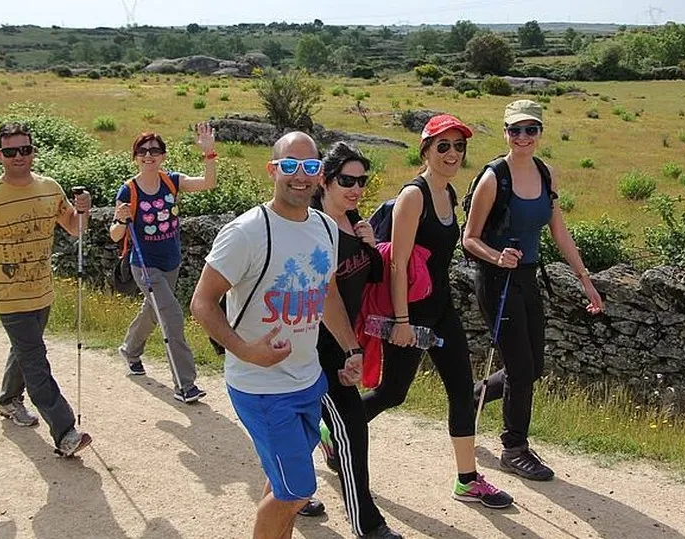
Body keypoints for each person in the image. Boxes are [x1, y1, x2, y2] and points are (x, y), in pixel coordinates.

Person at [191, 131, 365, 539]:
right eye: (289, 166)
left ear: (320, 174)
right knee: (297, 491)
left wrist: (350, 348)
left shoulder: (323, 226)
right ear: (273, 170)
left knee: (281, 483)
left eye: (309, 167)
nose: (299, 176)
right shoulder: (246, 232)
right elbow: (202, 302)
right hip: (262, 388)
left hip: (309, 380)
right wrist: (246, 351)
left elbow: (327, 293)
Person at [362, 114, 514, 509]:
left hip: (441, 308)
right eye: (442, 146)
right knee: (392, 393)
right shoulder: (415, 196)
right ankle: (335, 431)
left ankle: (468, 479)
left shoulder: (449, 193)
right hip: (410, 311)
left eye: (458, 146)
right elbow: (398, 263)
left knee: (463, 392)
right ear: (426, 150)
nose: (452, 153)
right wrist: (400, 322)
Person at [463, 99, 603, 481]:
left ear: (540, 133)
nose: (522, 137)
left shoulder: (545, 173)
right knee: (521, 368)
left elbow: (558, 230)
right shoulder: (494, 178)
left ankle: (470, 398)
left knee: (533, 367)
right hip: (496, 281)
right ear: (505, 132)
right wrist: (497, 257)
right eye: (515, 130)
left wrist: (585, 280)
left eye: (530, 130)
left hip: (527, 278)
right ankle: (514, 448)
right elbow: (469, 239)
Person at [0, 122, 92, 457]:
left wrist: (84, 210)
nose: (19, 156)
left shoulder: (49, 188)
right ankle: (65, 432)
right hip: (8, 295)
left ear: (33, 151)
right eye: (11, 151)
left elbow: (75, 229)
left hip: (42, 290)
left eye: (25, 149)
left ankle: (7, 399)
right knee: (35, 360)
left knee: (25, 350)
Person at [310, 142, 403, 539]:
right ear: (324, 181)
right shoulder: (313, 226)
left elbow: (375, 276)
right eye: (347, 180)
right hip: (312, 343)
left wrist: (370, 245)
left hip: (342, 339)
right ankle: (367, 522)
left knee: (307, 421)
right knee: (350, 426)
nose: (356, 188)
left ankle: (291, 492)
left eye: (362, 181)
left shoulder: (354, 221)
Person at [108, 125, 217, 403]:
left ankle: (130, 350)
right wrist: (120, 219)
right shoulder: (128, 190)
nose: (148, 155)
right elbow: (115, 234)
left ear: (163, 156)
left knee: (154, 311)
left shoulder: (172, 181)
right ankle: (185, 385)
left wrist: (209, 152)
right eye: (143, 151)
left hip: (171, 262)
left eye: (154, 150)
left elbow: (208, 184)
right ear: (135, 157)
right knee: (172, 316)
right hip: (144, 265)